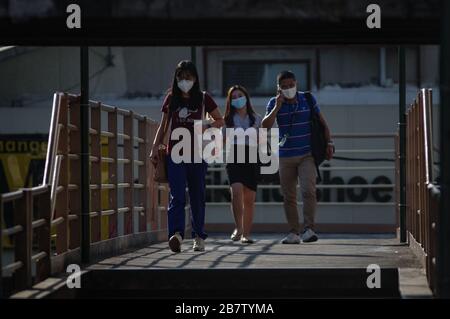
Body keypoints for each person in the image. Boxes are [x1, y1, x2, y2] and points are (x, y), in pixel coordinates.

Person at [150, 60, 224, 253]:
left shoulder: (203, 98)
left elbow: (220, 120)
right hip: (175, 154)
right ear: (176, 78)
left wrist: (205, 125)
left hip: (198, 154)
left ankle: (199, 236)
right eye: (181, 77)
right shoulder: (171, 98)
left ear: (195, 78)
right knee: (177, 195)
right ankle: (176, 235)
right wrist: (154, 147)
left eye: (188, 77)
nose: (184, 81)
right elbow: (163, 125)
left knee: (197, 195)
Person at [261, 70, 333, 244]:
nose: (288, 89)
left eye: (291, 85)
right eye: (284, 87)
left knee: (308, 190)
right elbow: (265, 126)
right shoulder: (273, 102)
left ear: (296, 84)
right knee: (289, 195)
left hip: (306, 154)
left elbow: (322, 122)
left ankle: (309, 228)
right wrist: (277, 106)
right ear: (278, 88)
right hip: (285, 156)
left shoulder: (307, 99)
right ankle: (294, 232)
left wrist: (329, 142)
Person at [223, 85, 262, 244]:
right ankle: (238, 228)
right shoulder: (228, 119)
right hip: (234, 154)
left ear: (246, 97)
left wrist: (254, 133)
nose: (238, 99)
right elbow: (223, 140)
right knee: (237, 190)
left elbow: (261, 138)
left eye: (240, 95)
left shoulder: (256, 118)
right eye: (234, 97)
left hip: (251, 154)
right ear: (230, 101)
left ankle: (246, 233)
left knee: (249, 198)